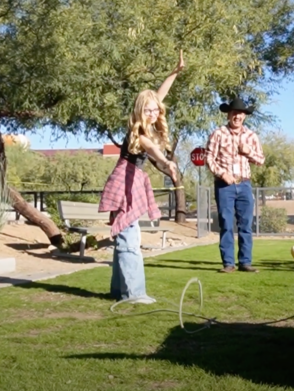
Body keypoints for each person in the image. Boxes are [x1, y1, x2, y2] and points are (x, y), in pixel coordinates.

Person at [98, 51, 183, 303]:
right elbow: (152, 149)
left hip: (132, 180)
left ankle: (118, 290)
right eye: (148, 110)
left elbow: (159, 94)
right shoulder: (139, 134)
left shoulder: (149, 120)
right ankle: (134, 294)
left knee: (126, 234)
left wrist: (175, 73)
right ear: (139, 110)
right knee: (129, 239)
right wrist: (166, 161)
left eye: (156, 110)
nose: (153, 113)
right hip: (125, 183)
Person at [205, 97, 265, 273]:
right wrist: (222, 173)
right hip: (225, 186)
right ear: (228, 114)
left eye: (240, 113)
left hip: (245, 184)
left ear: (244, 116)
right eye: (234, 113)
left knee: (246, 224)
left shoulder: (251, 136)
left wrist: (249, 152)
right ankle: (228, 264)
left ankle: (245, 262)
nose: (237, 116)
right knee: (226, 223)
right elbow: (209, 158)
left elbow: (261, 159)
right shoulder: (218, 133)